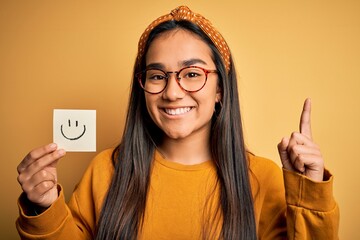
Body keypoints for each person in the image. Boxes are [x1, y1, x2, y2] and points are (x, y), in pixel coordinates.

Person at [16, 6, 339, 240]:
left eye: (193, 74)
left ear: (220, 90)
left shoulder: (262, 178)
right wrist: (44, 207)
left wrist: (309, 195)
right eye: (157, 76)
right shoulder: (105, 170)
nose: (172, 92)